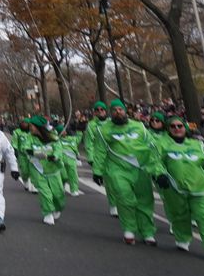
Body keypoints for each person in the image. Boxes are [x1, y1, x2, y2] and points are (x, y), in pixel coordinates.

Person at [151, 115, 204, 263]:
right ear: (168, 129)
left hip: (201, 188)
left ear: (185, 128)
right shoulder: (161, 144)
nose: (176, 129)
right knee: (179, 216)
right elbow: (155, 161)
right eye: (173, 126)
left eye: (179, 126)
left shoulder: (197, 145)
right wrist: (160, 174)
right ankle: (182, 238)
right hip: (175, 189)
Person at [94, 99, 158, 246]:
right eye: (115, 110)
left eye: (120, 109)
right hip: (118, 169)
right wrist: (97, 171)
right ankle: (129, 229)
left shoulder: (139, 126)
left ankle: (148, 232)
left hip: (141, 169)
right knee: (125, 197)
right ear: (111, 113)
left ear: (125, 111)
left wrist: (156, 168)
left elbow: (152, 146)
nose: (118, 112)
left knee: (145, 201)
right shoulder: (104, 130)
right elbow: (100, 151)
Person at [25, 116, 65, 225]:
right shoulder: (29, 137)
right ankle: (47, 213)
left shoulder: (53, 137)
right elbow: (27, 149)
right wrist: (36, 154)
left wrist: (55, 157)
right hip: (38, 169)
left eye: (32, 126)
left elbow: (58, 149)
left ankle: (57, 208)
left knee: (58, 195)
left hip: (53, 170)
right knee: (45, 193)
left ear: (39, 127)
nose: (30, 128)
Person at [84, 101, 118, 216]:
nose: (99, 112)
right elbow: (89, 143)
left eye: (102, 110)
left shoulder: (112, 123)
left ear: (105, 111)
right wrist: (91, 157)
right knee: (109, 181)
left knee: (119, 180)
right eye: (97, 110)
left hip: (116, 156)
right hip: (101, 156)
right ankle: (113, 204)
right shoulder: (91, 125)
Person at [55, 124, 82, 196]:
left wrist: (80, 128)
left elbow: (78, 138)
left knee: (73, 175)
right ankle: (61, 186)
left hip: (71, 161)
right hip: (61, 161)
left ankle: (74, 190)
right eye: (62, 131)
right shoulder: (56, 141)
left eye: (64, 130)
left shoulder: (71, 139)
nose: (65, 131)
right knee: (64, 176)